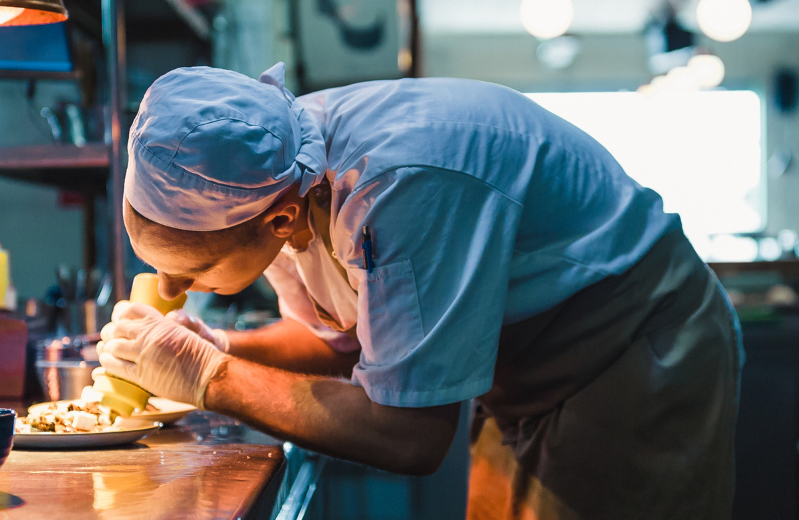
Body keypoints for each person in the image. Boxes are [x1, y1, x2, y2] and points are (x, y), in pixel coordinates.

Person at [97, 64, 743, 520]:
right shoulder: (272, 179)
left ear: (280, 221)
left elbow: (409, 436)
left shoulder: (402, 188)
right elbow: (341, 343)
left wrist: (207, 374)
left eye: (195, 273)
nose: (175, 287)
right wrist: (223, 343)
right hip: (524, 372)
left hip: (628, 351)